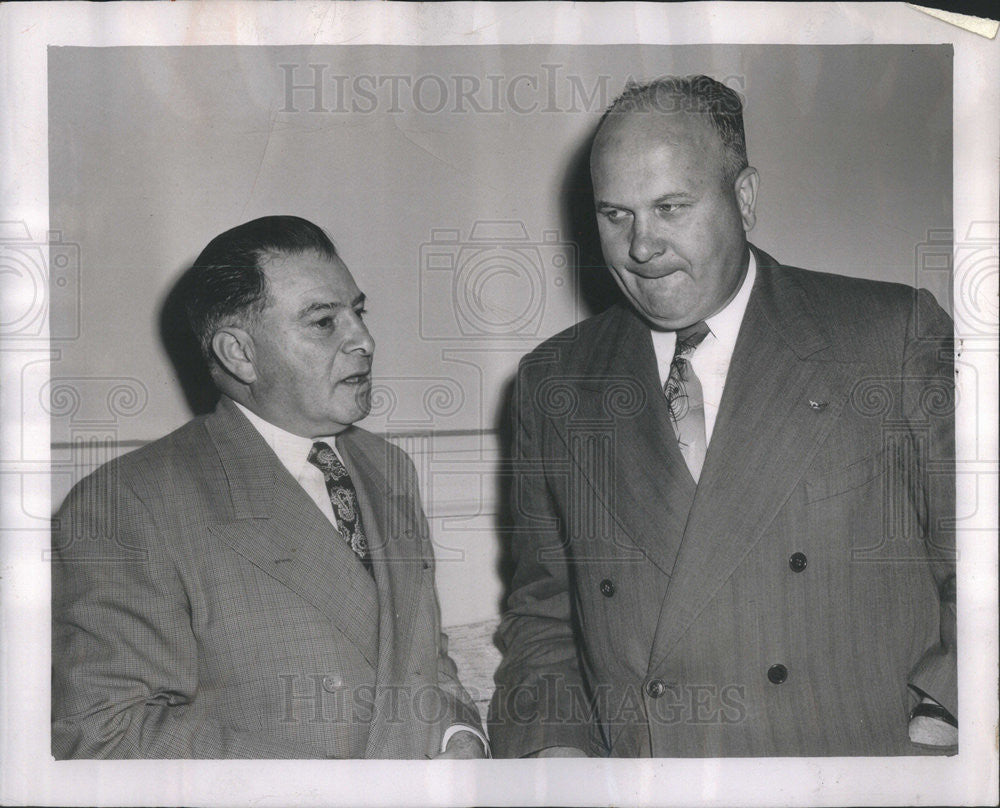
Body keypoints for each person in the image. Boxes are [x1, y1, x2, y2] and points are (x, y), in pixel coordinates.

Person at [489, 76, 956, 758]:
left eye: (671, 207)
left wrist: (948, 715)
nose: (641, 247)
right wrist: (556, 752)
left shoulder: (888, 335)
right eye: (614, 215)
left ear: (744, 199)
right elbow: (543, 613)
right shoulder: (553, 381)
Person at [52, 215, 487, 759]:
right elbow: (101, 736)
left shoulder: (389, 468)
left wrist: (460, 735)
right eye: (324, 322)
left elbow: (425, 660)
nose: (365, 340)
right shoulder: (129, 504)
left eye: (359, 311)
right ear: (240, 354)